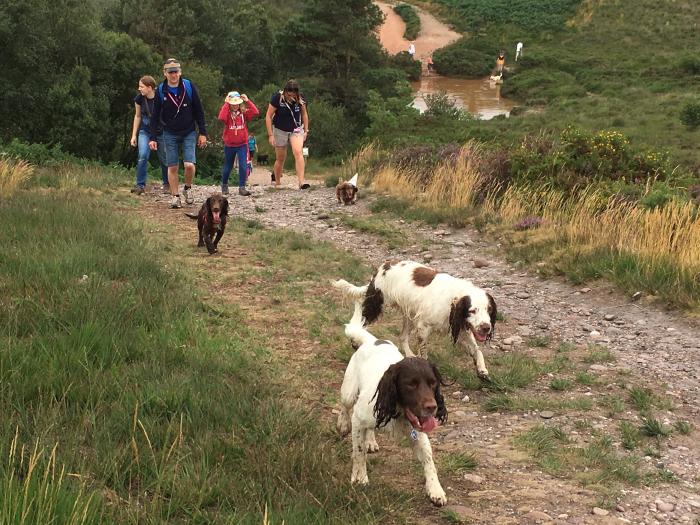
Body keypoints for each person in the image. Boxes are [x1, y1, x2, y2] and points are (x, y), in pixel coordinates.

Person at [149, 58, 208, 209]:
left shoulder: (188, 86)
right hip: (169, 132)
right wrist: (153, 137)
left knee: (189, 165)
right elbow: (155, 116)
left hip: (188, 131)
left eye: (176, 71)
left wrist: (202, 132)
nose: (174, 75)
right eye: (170, 72)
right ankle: (175, 197)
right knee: (173, 166)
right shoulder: (161, 90)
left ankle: (187, 188)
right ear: (165, 73)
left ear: (180, 72)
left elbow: (199, 110)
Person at [265, 79, 310, 190]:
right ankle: (277, 181)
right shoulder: (277, 98)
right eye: (289, 93)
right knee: (280, 158)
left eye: (294, 93)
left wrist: (306, 130)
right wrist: (270, 135)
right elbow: (268, 116)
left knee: (298, 152)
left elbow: (304, 114)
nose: (291, 95)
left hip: (296, 129)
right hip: (280, 129)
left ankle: (301, 182)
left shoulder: (301, 99)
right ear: (285, 91)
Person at [129, 75, 168, 195]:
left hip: (161, 132)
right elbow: (138, 116)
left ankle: (167, 183)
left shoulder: (161, 98)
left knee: (164, 159)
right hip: (145, 131)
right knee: (143, 155)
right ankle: (140, 185)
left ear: (150, 87)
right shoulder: (139, 99)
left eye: (141, 87)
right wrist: (134, 135)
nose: (139, 89)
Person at [218, 91, 259, 196]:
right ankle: (224, 185)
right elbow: (221, 117)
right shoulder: (227, 113)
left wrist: (247, 101)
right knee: (228, 166)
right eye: (233, 103)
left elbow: (255, 112)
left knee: (243, 165)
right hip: (230, 145)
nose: (235, 106)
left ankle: (242, 187)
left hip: (242, 144)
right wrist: (226, 103)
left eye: (237, 103)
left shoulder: (243, 113)